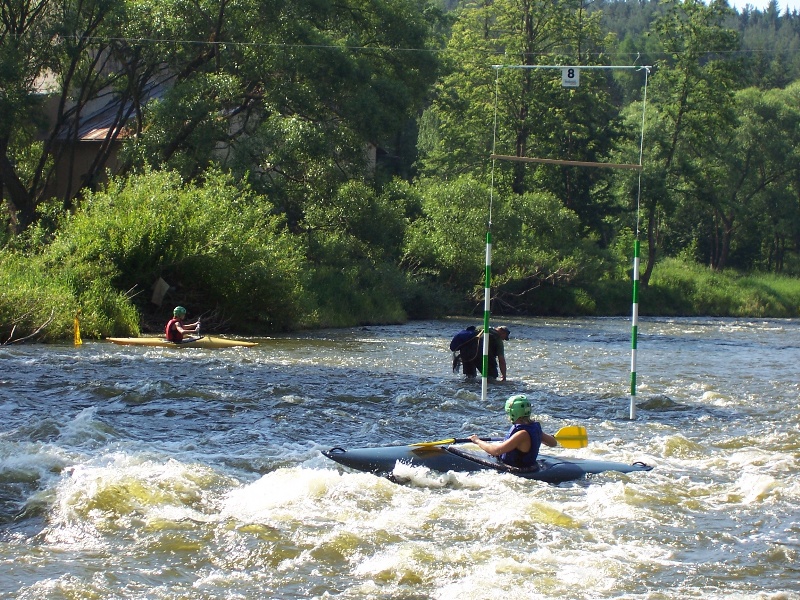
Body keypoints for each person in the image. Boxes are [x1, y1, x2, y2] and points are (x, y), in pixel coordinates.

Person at [469, 394, 557, 468]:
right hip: (528, 466)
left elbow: (496, 451)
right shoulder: (534, 429)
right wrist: (540, 436)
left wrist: (477, 441)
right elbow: (553, 443)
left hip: (518, 469)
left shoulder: (521, 434)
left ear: (513, 413)